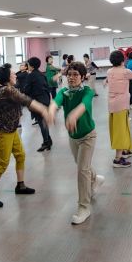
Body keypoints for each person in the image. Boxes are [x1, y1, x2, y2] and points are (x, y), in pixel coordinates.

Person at [0, 64, 51, 208]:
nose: (15, 75)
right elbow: (26, 100)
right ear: (7, 77)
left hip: (11, 129)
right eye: (13, 74)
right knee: (3, 163)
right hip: (3, 131)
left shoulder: (5, 89)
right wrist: (44, 110)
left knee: (20, 155)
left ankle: (20, 185)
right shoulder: (7, 90)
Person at [48, 61, 103, 224]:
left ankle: (84, 207)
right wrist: (51, 110)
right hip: (73, 137)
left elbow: (84, 105)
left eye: (75, 75)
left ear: (83, 77)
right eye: (69, 75)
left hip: (88, 136)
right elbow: (56, 101)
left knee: (81, 170)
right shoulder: (64, 92)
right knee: (82, 165)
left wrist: (73, 115)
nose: (71, 77)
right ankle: (96, 179)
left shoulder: (87, 91)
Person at [104, 50, 132, 168]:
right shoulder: (125, 72)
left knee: (120, 128)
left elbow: (108, 80)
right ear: (122, 60)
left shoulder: (109, 71)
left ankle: (124, 150)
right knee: (121, 130)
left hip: (112, 105)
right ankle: (117, 159)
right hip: (121, 105)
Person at [25, 57, 53, 151]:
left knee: (41, 123)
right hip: (45, 100)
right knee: (43, 122)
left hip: (38, 102)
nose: (27, 66)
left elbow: (27, 90)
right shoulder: (41, 74)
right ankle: (48, 140)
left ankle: (46, 142)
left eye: (28, 64)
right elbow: (47, 87)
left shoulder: (31, 76)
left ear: (32, 66)